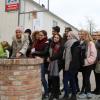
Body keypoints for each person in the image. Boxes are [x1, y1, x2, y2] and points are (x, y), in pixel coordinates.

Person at [31, 30, 49, 99]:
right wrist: (34, 53)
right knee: (36, 78)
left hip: (42, 62)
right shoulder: (37, 42)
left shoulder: (46, 42)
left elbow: (44, 52)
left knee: (42, 78)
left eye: (42, 35)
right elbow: (32, 51)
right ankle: (38, 92)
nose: (40, 36)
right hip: (36, 61)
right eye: (39, 35)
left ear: (45, 36)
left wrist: (35, 52)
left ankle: (46, 93)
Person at [78, 31, 97, 99]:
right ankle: (84, 91)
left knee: (86, 78)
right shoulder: (82, 43)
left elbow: (93, 55)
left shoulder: (90, 43)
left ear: (87, 35)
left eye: (83, 35)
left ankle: (87, 92)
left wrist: (86, 61)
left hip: (88, 64)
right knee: (85, 78)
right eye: (81, 34)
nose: (82, 36)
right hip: (83, 64)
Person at [62, 31, 80, 100]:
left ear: (73, 36)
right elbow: (65, 56)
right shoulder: (67, 44)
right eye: (67, 36)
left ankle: (67, 95)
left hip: (72, 66)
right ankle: (73, 95)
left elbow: (75, 58)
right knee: (72, 80)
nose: (67, 37)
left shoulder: (75, 44)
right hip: (67, 65)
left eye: (69, 36)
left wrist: (70, 67)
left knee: (65, 80)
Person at [48, 34, 63, 100]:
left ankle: (54, 94)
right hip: (51, 64)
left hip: (57, 64)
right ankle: (56, 93)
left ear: (59, 39)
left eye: (57, 37)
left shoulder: (60, 45)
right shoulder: (51, 44)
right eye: (55, 37)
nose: (55, 38)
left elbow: (59, 55)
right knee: (55, 79)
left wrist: (51, 58)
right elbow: (48, 53)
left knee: (55, 78)